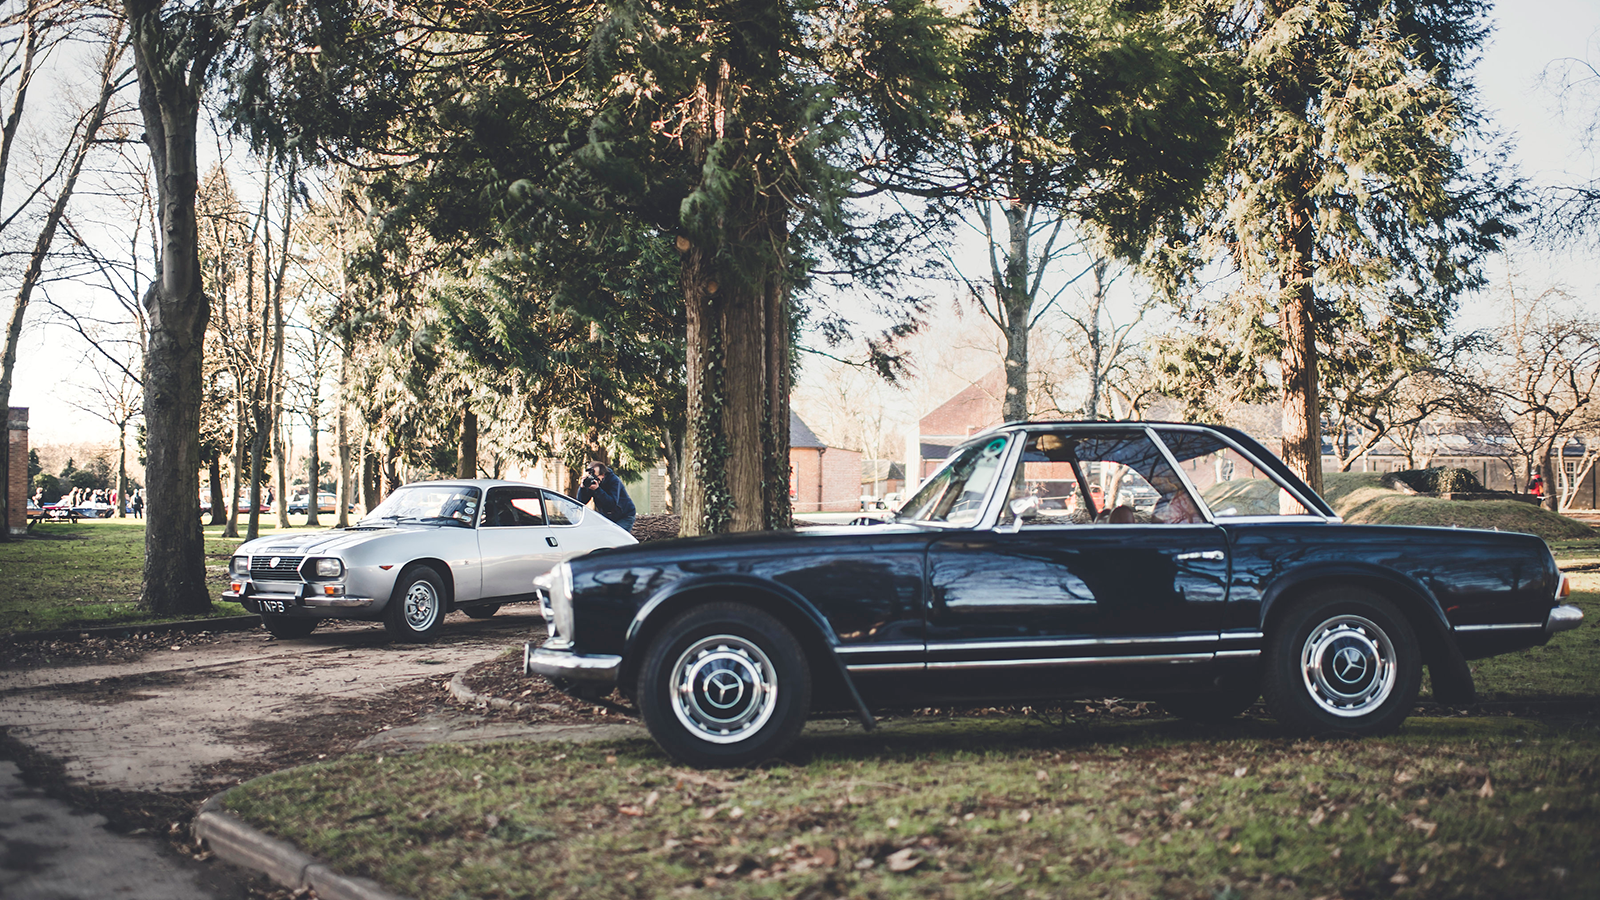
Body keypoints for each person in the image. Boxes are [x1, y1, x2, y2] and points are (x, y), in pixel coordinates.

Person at [577, 462, 636, 534]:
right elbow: (581, 502)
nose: (593, 478)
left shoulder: (614, 480)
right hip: (607, 516)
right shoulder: (592, 483)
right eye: (590, 475)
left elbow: (611, 504)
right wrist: (582, 488)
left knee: (618, 537)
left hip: (624, 515)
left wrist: (597, 490)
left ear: (603, 475)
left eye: (595, 476)